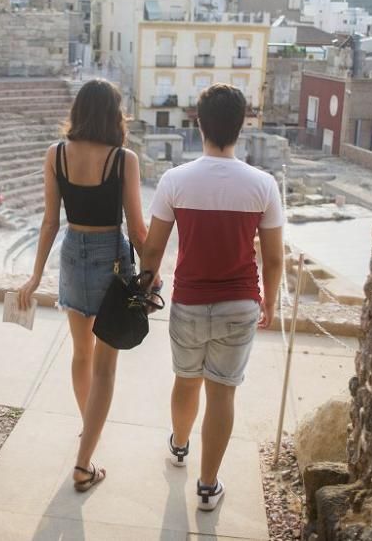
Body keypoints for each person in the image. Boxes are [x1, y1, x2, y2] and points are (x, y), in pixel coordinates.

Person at [138, 83, 284, 511]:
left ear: (198, 123)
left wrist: (146, 288)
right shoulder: (263, 184)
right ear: (243, 125)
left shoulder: (175, 180)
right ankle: (208, 486)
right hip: (241, 303)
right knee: (222, 392)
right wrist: (269, 301)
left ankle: (179, 446)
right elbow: (273, 258)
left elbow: (152, 249)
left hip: (188, 302)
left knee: (186, 379)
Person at [17, 78, 150, 492]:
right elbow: (138, 228)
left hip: (72, 252)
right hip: (111, 256)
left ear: (78, 112)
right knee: (106, 367)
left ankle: (87, 431)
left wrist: (37, 273)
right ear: (114, 114)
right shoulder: (123, 159)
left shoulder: (55, 154)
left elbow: (50, 221)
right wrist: (153, 269)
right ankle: (83, 463)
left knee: (80, 353)